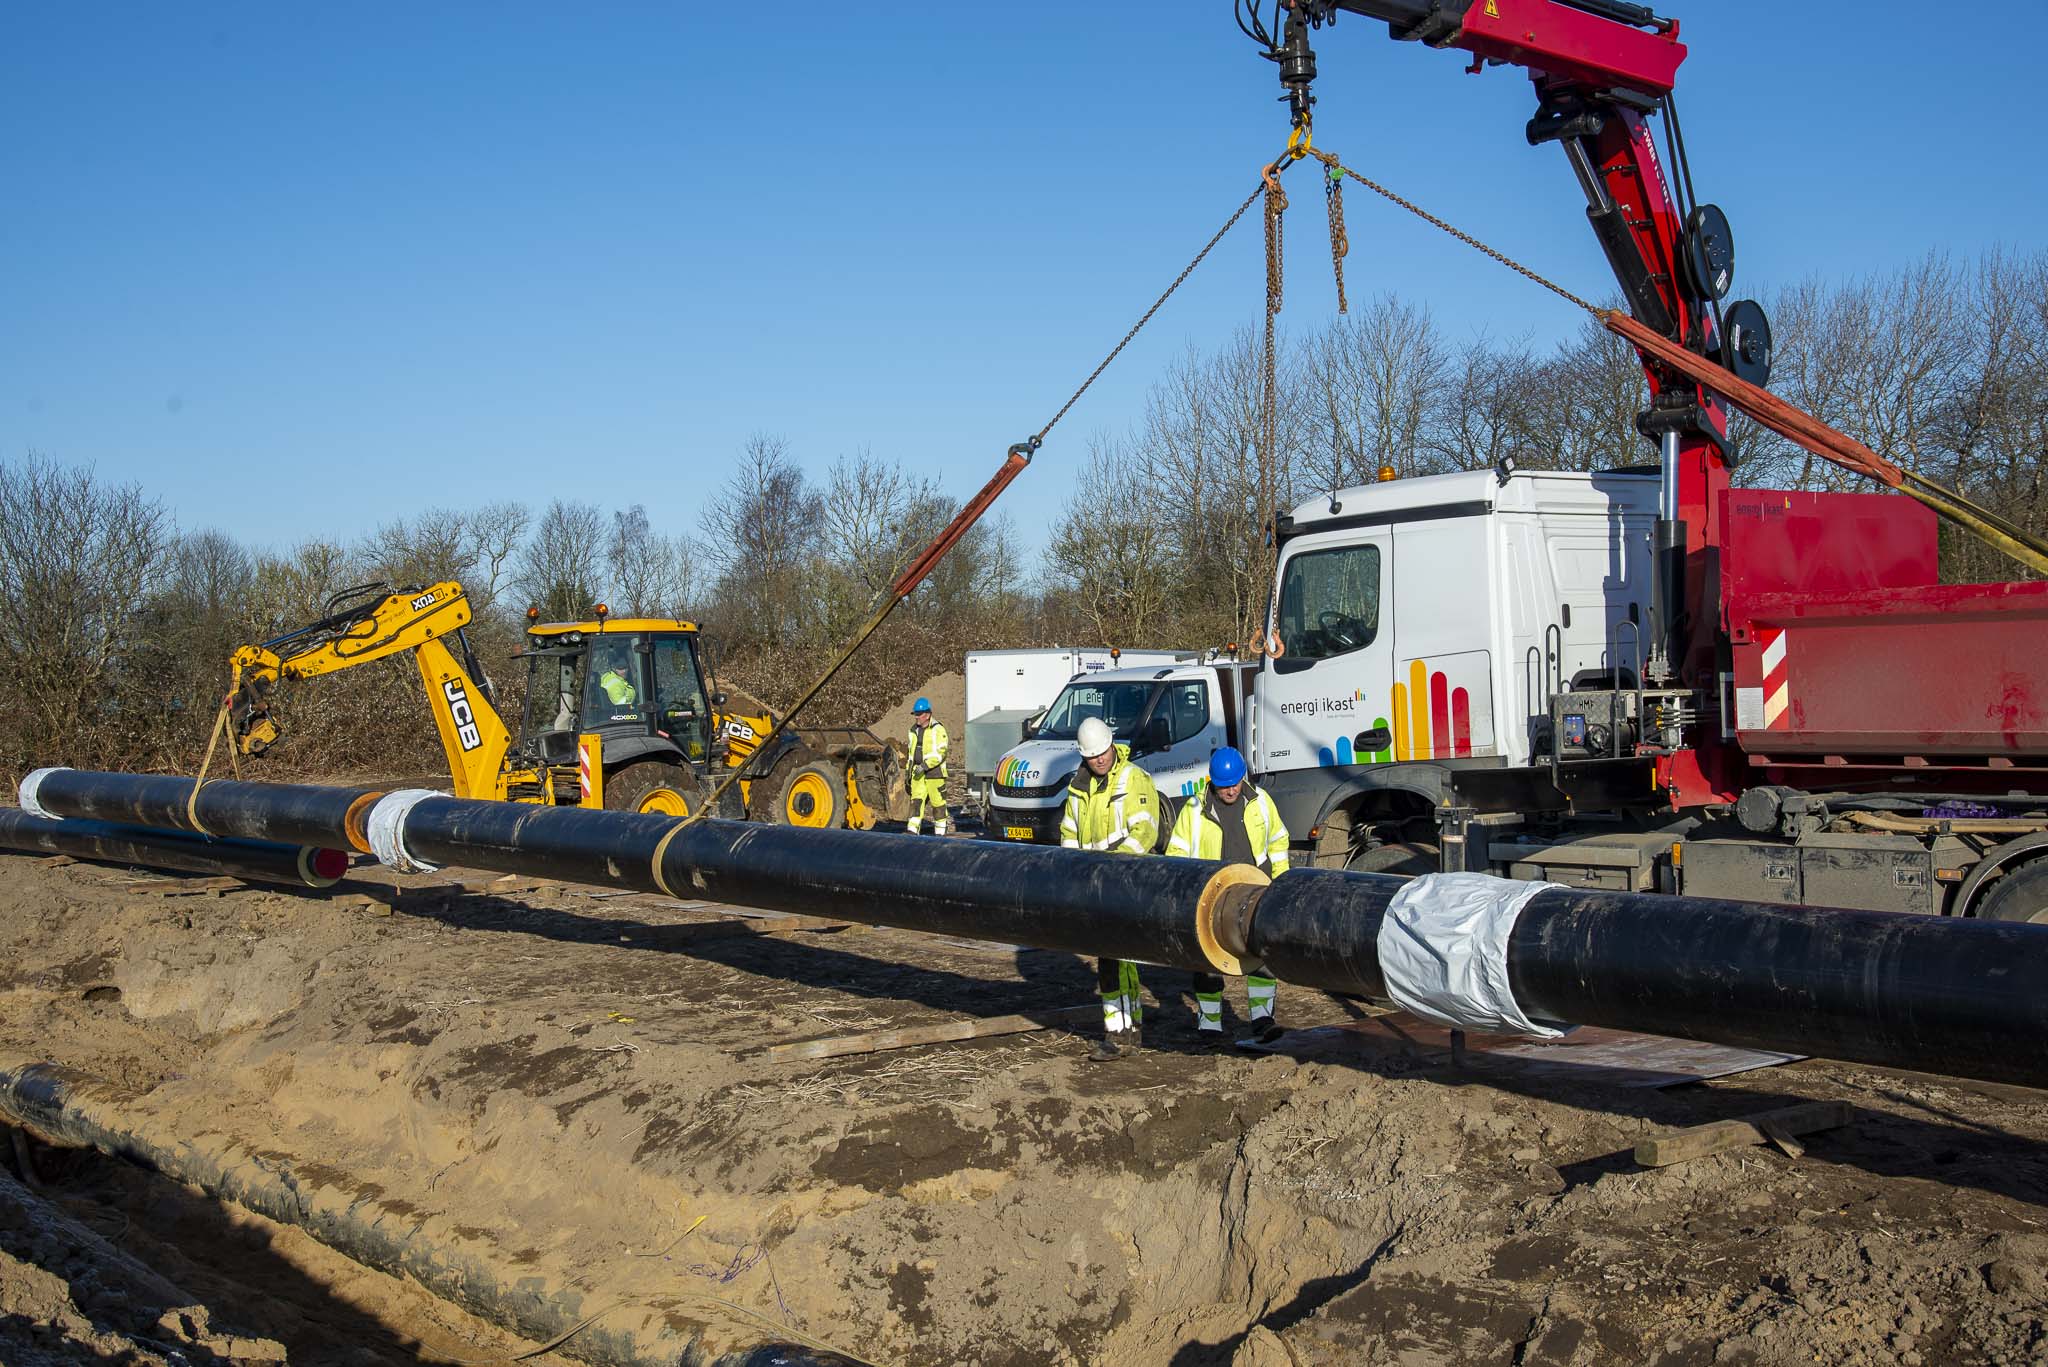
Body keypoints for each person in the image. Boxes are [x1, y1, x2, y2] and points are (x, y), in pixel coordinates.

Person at [1166, 746, 1290, 1046]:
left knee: (1261, 960)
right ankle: (1210, 1025)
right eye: (1224, 786)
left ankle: (1262, 1020)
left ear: (1242, 778)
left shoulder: (1261, 803)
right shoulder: (1194, 811)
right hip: (1211, 899)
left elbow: (1278, 841)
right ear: (1213, 783)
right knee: (1206, 965)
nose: (1231, 790)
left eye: (1234, 783)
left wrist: (1280, 885)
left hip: (1257, 893)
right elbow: (1176, 856)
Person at [1059, 716, 1161, 1062]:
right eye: (1093, 756)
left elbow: (1146, 830)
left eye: (1103, 753)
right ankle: (1119, 1030)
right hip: (1093, 886)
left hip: (1124, 882)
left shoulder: (1133, 779)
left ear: (1111, 746)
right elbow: (1069, 832)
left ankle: (1125, 1031)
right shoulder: (1078, 788)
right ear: (1084, 756)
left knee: (1122, 958)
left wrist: (1116, 866)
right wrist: (1075, 871)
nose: (1099, 760)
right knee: (1108, 960)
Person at [905, 697, 950, 835]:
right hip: (917, 773)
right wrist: (908, 774)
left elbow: (941, 752)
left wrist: (925, 765)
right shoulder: (913, 731)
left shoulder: (938, 729)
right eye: (915, 714)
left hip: (934, 773)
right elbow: (911, 754)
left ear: (928, 714)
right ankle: (912, 830)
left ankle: (940, 832)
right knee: (916, 802)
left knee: (938, 803)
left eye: (919, 714)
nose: (916, 717)